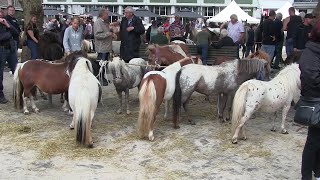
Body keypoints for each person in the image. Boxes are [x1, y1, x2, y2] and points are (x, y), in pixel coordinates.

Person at [298, 20, 320, 180]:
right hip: (316, 101)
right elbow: (311, 78)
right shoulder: (311, 52)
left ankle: (317, 171)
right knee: (314, 141)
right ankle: (306, 176)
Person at [0, 10, 19, 103]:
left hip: (11, 49)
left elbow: (16, 33)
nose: (0, 15)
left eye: (1, 13)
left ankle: (18, 91)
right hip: (1, 49)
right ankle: (0, 94)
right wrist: (8, 34)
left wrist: (8, 25)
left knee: (16, 70)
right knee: (0, 73)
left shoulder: (6, 22)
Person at [4, 5, 21, 72]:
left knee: (14, 55)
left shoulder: (14, 19)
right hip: (11, 39)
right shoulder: (6, 19)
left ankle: (13, 68)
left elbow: (18, 29)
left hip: (16, 38)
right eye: (10, 10)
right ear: (7, 11)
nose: (12, 11)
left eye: (13, 10)